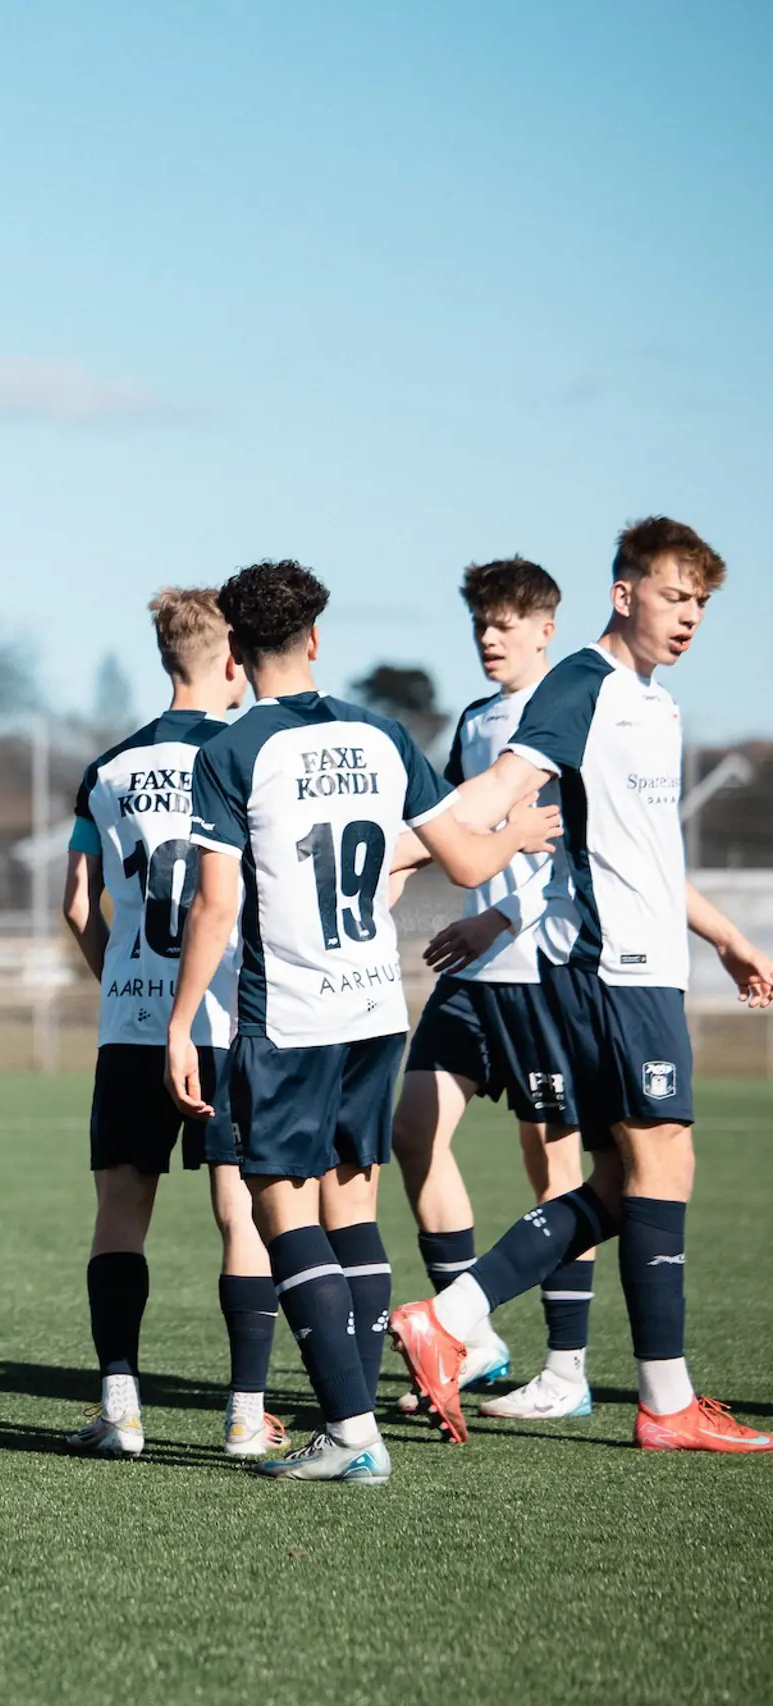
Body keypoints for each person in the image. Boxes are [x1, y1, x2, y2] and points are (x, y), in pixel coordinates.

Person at [165, 559, 557, 1485]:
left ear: (235, 648)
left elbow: (215, 907)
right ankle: (359, 1420)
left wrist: (182, 1025)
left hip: (289, 1016)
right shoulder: (380, 735)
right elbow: (467, 864)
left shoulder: (231, 752)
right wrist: (516, 835)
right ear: (315, 637)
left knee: (281, 1209)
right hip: (377, 1009)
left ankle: (349, 1431)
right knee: (353, 1208)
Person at [393, 517, 773, 1453]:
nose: (689, 616)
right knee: (662, 1165)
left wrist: (727, 938)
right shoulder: (581, 685)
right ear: (623, 593)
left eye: (700, 603)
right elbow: (495, 792)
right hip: (613, 972)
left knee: (619, 1176)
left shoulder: (656, 703)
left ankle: (453, 1317)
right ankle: (664, 1402)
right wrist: (397, 851)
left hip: (647, 968)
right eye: (674, 595)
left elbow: (647, 855)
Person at [60, 586, 285, 1459]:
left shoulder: (108, 768)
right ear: (233, 658)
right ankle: (245, 1415)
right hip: (227, 1020)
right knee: (242, 1212)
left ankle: (120, 1412)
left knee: (121, 1212)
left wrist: (123, 984)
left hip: (133, 1024)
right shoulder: (247, 755)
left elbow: (77, 906)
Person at [386, 559, 594, 1421]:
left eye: (505, 623)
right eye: (480, 623)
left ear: (546, 629)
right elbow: (449, 825)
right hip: (473, 976)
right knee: (413, 1131)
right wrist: (382, 882)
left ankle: (567, 1372)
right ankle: (468, 1340)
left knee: (553, 1166)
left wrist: (499, 920)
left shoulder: (572, 718)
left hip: (542, 969)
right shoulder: (475, 722)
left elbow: (571, 852)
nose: (489, 637)